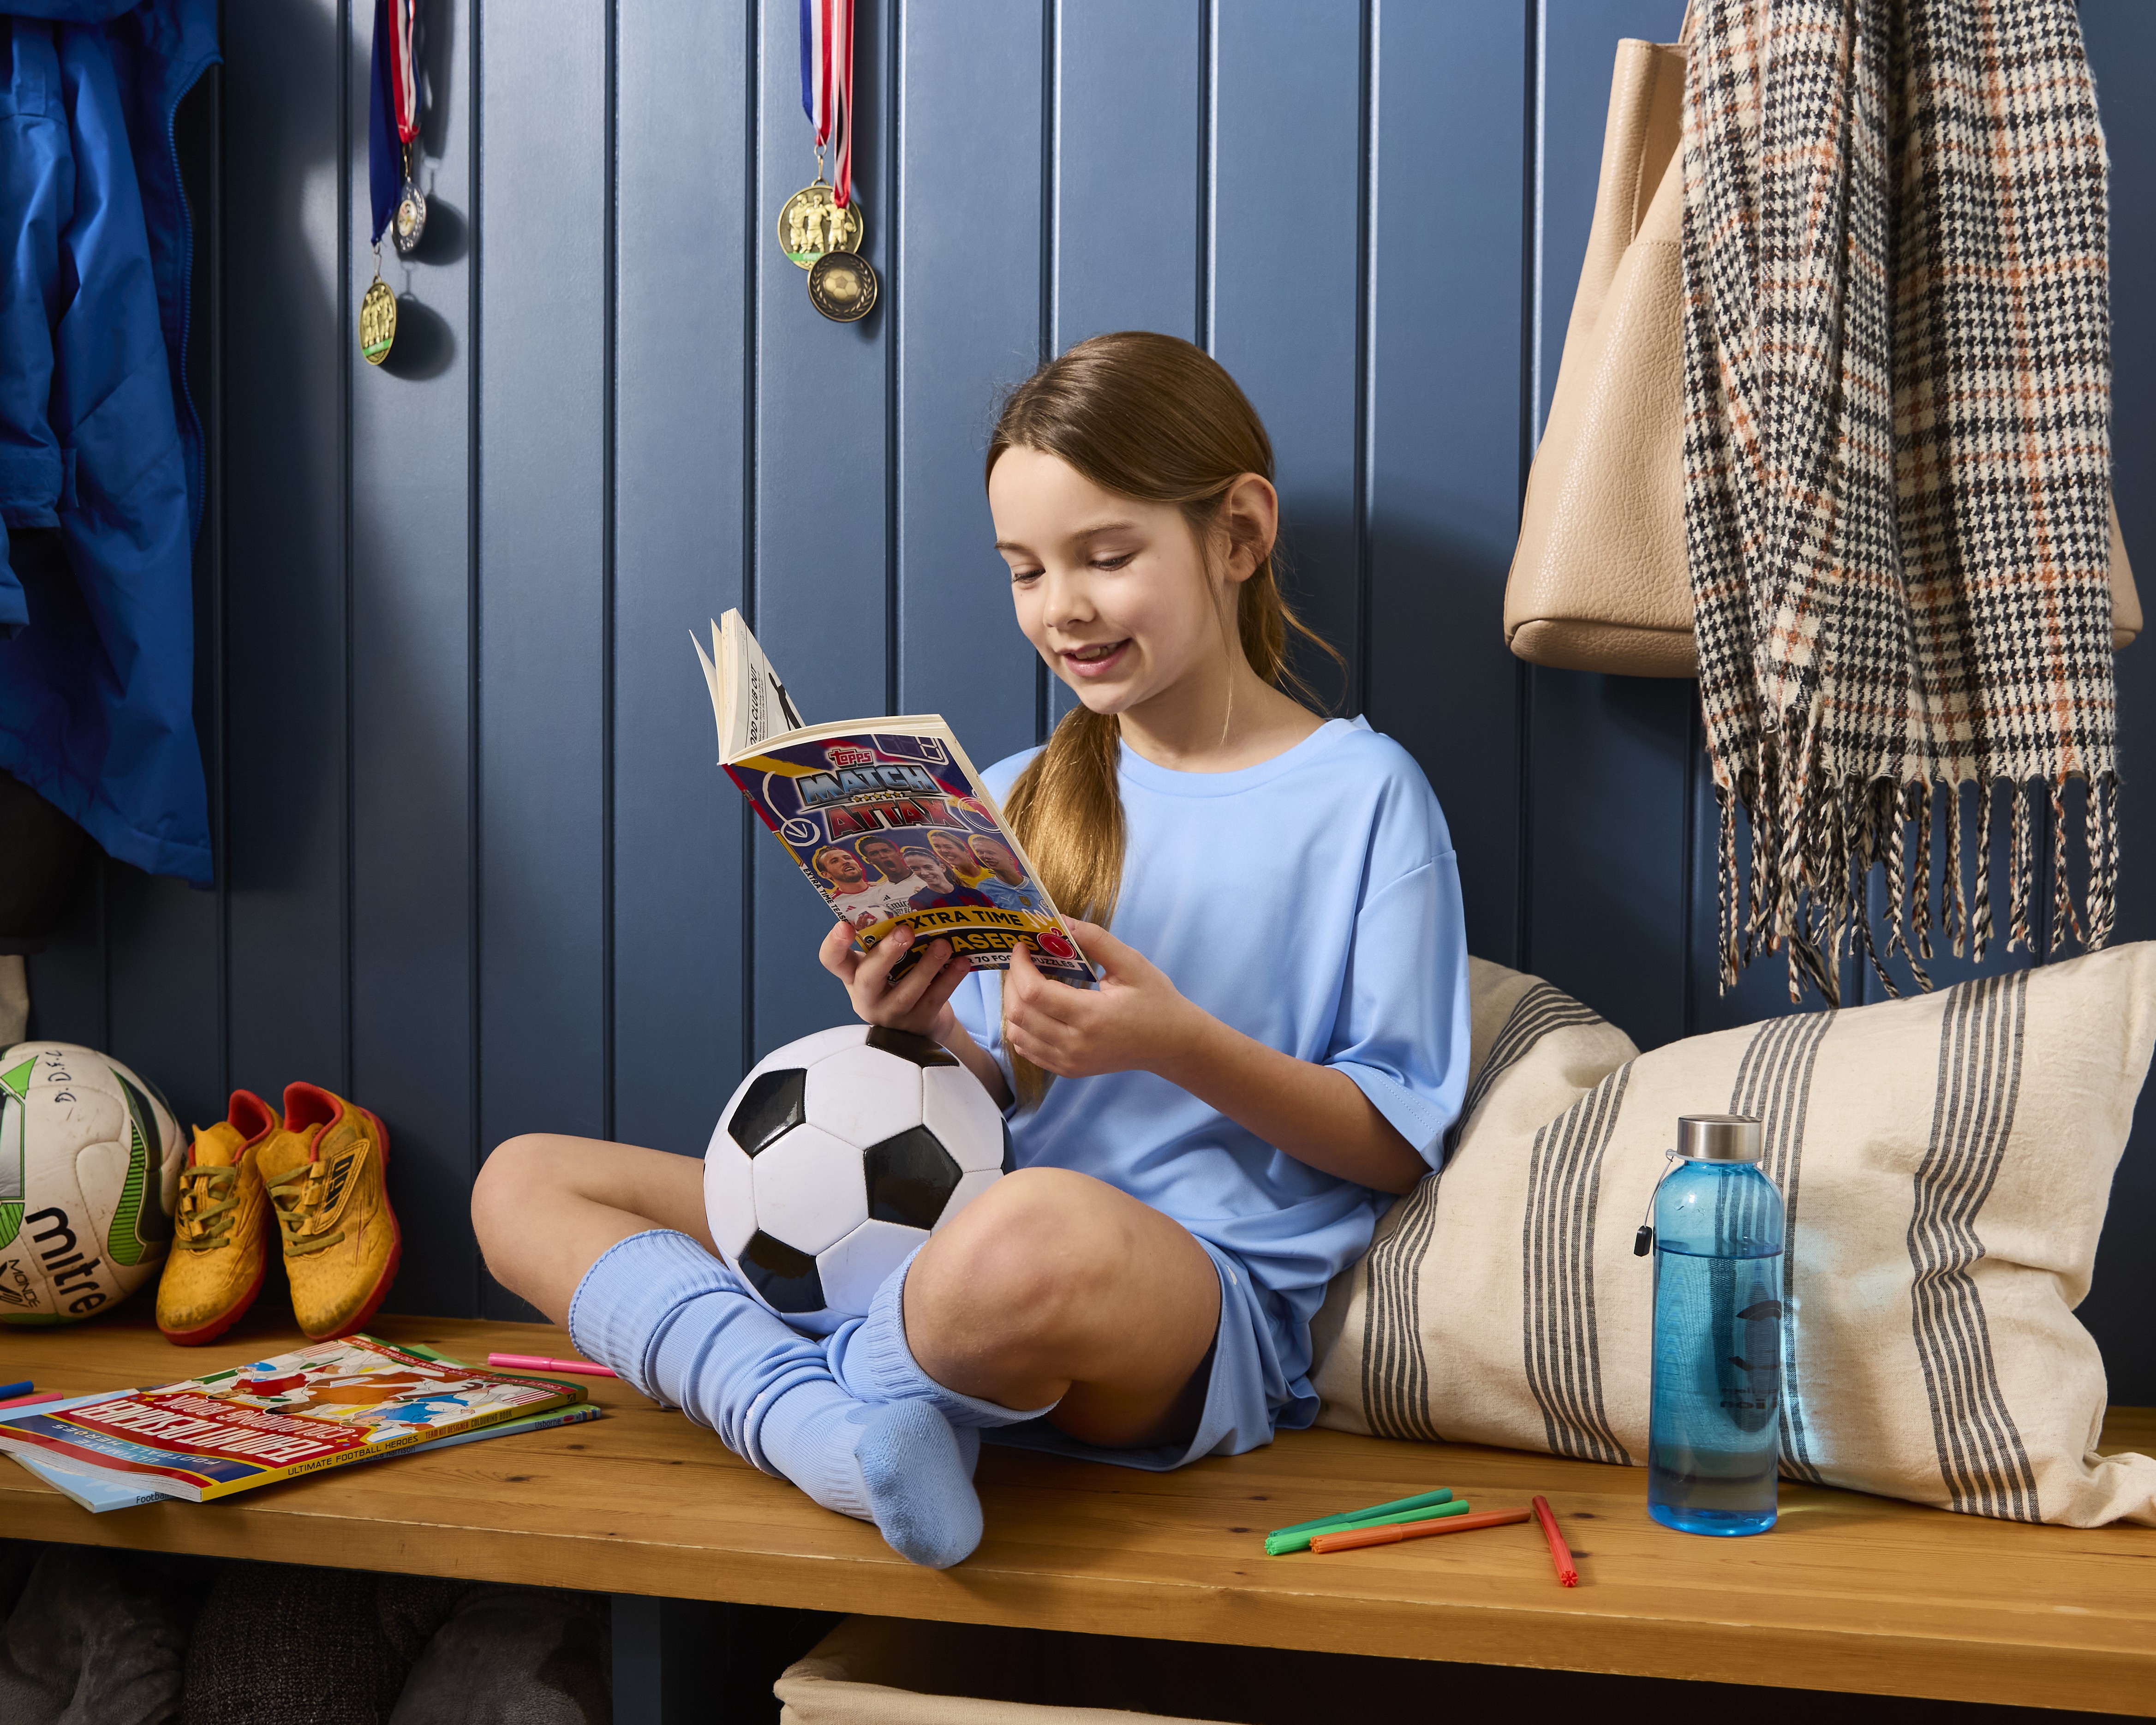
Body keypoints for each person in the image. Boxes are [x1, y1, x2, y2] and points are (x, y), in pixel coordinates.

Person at [471, 330, 1469, 1573]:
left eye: (1106, 557)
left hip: (1164, 1298)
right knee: (524, 1180)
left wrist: (1176, 1046)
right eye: (1025, 571)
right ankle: (829, 1427)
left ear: (1239, 533)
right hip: (947, 1232)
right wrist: (919, 1030)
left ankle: (799, 1389)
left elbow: (1391, 1138)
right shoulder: (1011, 795)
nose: (1064, 607)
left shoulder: (1364, 796)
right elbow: (991, 1104)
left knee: (1032, 1231)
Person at [812, 844, 920, 930]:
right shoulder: (832, 906)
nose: (845, 862)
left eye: (847, 858)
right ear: (826, 874)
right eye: (835, 861)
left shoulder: (885, 888)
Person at [965, 835, 1047, 915]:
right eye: (980, 853)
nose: (986, 857)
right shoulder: (984, 888)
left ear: (1011, 860)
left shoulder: (1038, 885)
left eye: (991, 853)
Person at [902, 848, 995, 911]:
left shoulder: (975, 894)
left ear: (942, 868)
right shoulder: (918, 901)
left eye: (928, 867)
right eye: (915, 868)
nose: (924, 873)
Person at [927, 827, 993, 892]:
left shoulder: (993, 873)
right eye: (937, 847)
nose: (943, 851)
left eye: (948, 847)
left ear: (966, 852)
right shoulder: (949, 881)